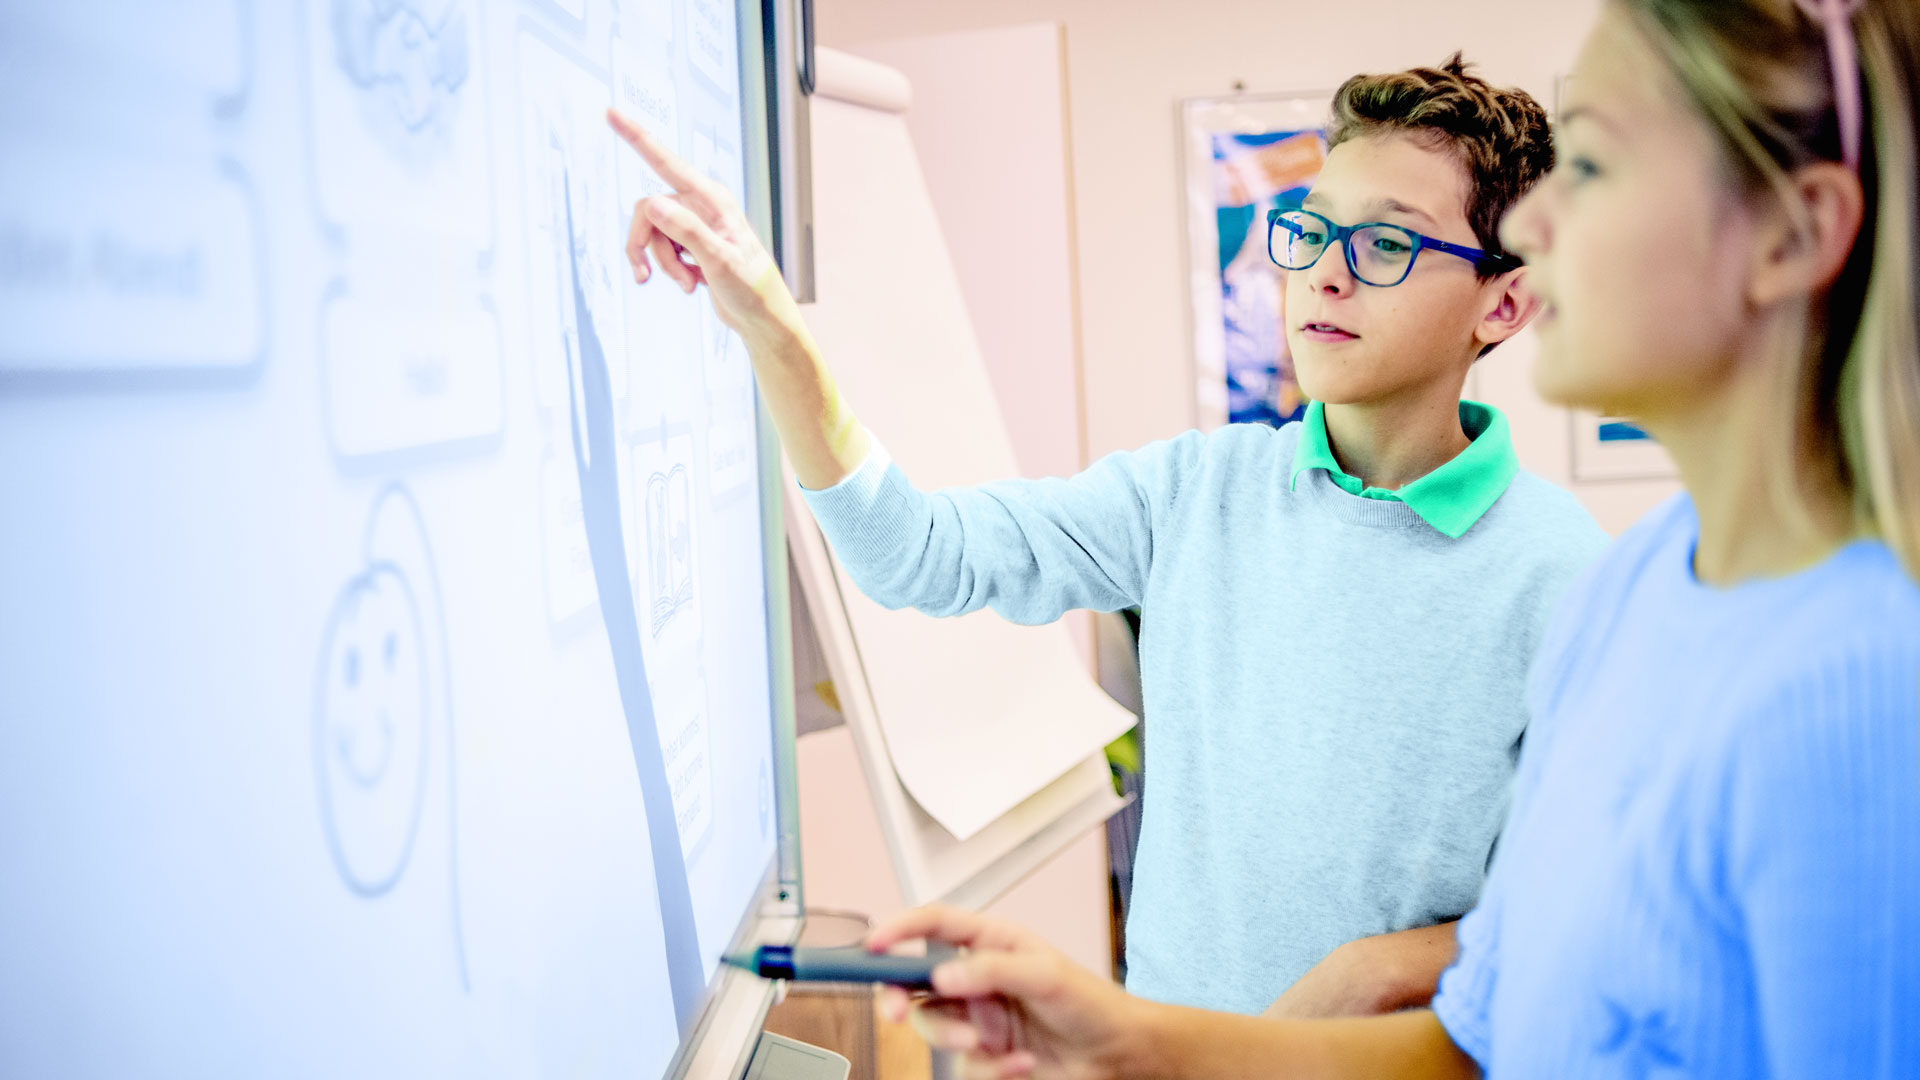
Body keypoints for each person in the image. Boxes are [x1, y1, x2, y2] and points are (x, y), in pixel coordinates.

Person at [858, 0, 1920, 1076]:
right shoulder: (1642, 587)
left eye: (1592, 169)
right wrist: (1126, 1036)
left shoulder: (1857, 682)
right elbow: (1489, 1029)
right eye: (1315, 229)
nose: (1542, 231)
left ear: (1793, 235)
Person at [607, 58, 1607, 1017]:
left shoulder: (1565, 576)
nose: (1325, 279)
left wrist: (1372, 972)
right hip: (1159, 1057)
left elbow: (1575, 910)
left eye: (1387, 244)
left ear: (1504, 302)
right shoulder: (1195, 492)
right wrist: (778, 336)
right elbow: (914, 551)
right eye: (1313, 230)